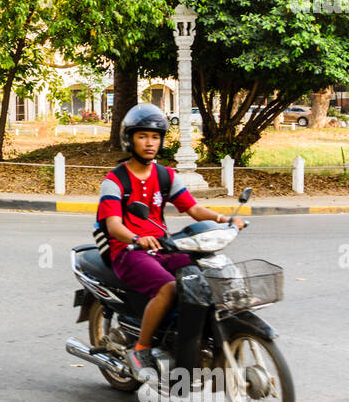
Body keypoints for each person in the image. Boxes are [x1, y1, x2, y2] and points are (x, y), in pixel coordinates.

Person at [95, 104, 245, 382]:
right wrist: (136, 238)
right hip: (128, 251)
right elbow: (113, 225)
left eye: (154, 137)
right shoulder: (114, 180)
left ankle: (190, 336)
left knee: (205, 271)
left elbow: (194, 209)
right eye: (142, 136)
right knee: (168, 287)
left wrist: (224, 218)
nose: (149, 143)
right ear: (130, 139)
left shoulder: (166, 176)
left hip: (161, 246)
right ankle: (142, 348)